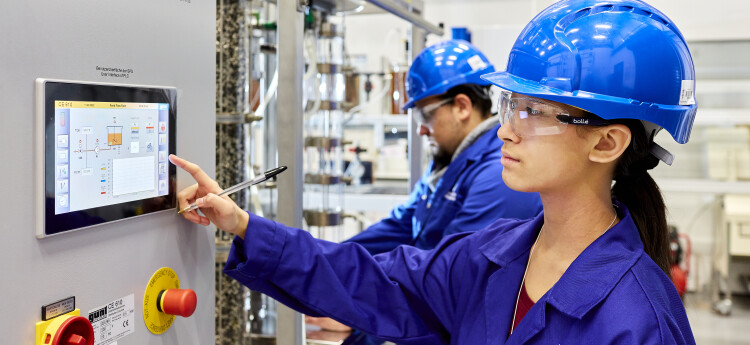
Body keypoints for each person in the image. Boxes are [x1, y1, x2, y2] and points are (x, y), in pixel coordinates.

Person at [172, 0, 697, 343]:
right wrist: (243, 225)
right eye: (510, 104)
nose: (505, 130)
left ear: (607, 142)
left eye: (533, 113)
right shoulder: (492, 256)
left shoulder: (640, 320)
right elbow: (370, 280)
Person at [309, 39, 542, 345]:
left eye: (424, 116)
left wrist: (356, 317)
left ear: (461, 106)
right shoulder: (448, 164)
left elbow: (441, 286)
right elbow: (398, 227)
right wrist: (319, 264)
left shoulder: (498, 176)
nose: (420, 129)